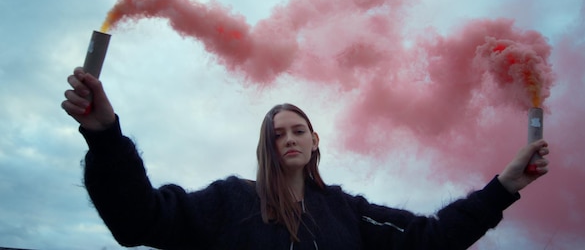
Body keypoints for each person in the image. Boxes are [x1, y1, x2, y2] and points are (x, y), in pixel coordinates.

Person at [62, 67, 550, 250]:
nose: (289, 139)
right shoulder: (228, 201)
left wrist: (503, 187)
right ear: (266, 147)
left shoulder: (347, 211)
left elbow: (431, 240)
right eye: (278, 134)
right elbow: (137, 220)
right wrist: (105, 137)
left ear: (316, 141)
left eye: (299, 131)